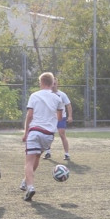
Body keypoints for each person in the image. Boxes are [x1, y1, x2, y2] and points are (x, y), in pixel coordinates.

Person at [20, 72, 64, 201]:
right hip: (48, 135)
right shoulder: (57, 98)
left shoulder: (34, 95)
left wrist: (26, 132)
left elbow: (29, 115)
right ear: (52, 83)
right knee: (37, 156)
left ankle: (30, 187)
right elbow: (60, 118)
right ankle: (25, 181)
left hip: (35, 131)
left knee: (29, 162)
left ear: (41, 82)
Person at [43, 78, 73, 161]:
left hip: (61, 117)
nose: (53, 85)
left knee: (62, 134)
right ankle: (48, 152)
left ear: (57, 84)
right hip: (50, 118)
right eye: (52, 84)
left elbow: (68, 105)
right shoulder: (47, 94)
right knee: (48, 135)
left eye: (55, 84)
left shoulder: (62, 94)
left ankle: (67, 154)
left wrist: (70, 116)